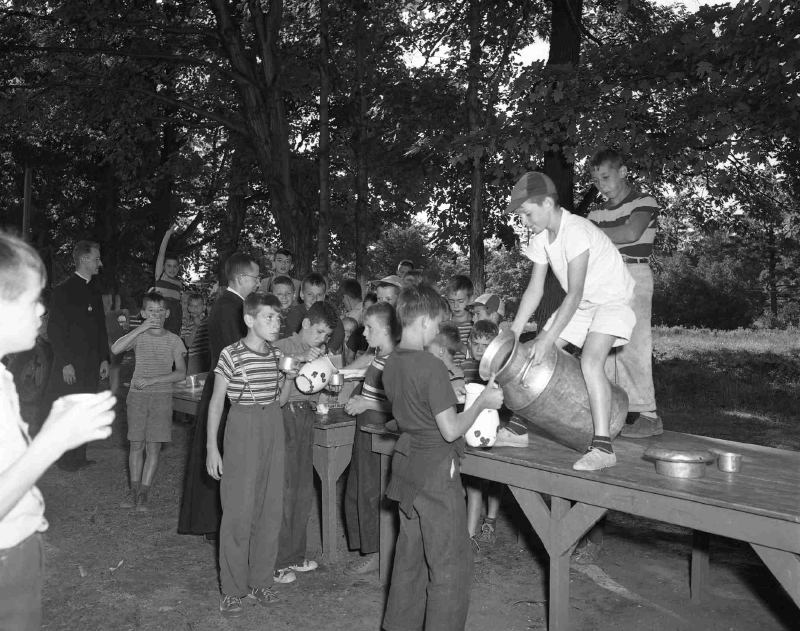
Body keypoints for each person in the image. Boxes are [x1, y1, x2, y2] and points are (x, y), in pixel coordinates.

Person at [0, 231, 116, 630]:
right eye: (32, 302)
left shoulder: (3, 380)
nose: (40, 316)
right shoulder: (67, 291)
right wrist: (51, 443)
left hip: (20, 546)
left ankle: (77, 455)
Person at [381, 284, 503, 631]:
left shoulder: (391, 363)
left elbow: (412, 405)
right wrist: (481, 403)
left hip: (406, 467)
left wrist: (448, 395)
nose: (438, 332)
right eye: (436, 323)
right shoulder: (431, 366)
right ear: (422, 321)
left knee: (410, 561)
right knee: (450, 565)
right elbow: (450, 431)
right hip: (436, 470)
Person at [506, 171, 636, 471]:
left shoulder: (576, 230)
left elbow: (574, 293)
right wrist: (514, 332)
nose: (524, 221)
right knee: (529, 353)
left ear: (548, 203)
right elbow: (534, 289)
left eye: (526, 213)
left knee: (590, 361)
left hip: (611, 301)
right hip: (583, 305)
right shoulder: (541, 239)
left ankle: (603, 447)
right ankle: (517, 429)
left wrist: (548, 340)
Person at [205, 293, 291, 618]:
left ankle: (260, 581)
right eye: (269, 317)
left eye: (278, 318)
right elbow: (216, 402)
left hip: (273, 426)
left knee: (269, 508)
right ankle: (232, 589)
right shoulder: (231, 355)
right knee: (238, 512)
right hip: (242, 426)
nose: (276, 323)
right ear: (249, 319)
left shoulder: (277, 355)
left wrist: (291, 378)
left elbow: (280, 400)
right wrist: (212, 448)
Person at [178, 253, 261, 540]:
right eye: (255, 278)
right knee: (224, 451)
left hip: (223, 383)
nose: (258, 283)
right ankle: (217, 522)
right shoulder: (232, 308)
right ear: (240, 279)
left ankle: (215, 520)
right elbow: (239, 353)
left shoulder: (228, 304)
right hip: (228, 388)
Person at [587, 148, 662, 439]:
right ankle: (611, 414)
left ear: (623, 172)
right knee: (602, 348)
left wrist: (592, 233)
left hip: (634, 274)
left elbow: (631, 234)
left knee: (633, 346)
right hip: (604, 278)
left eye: (605, 177)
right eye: (595, 180)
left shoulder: (644, 201)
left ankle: (648, 415)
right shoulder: (596, 212)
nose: (601, 184)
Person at [273, 301, 339, 583]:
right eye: (320, 332)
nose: (322, 339)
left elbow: (316, 386)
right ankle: (275, 560)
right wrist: (303, 357)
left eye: (326, 335)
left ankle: (294, 555)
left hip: (306, 416)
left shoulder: (319, 352)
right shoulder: (282, 345)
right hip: (284, 416)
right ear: (306, 325)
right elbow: (277, 373)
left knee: (301, 488)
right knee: (283, 489)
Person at [111, 292, 186, 511]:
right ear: (143, 313)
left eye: (160, 310)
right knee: (136, 444)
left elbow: (181, 373)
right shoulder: (139, 336)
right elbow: (115, 349)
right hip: (137, 397)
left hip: (161, 397)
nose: (156, 314)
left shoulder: (174, 340)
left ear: (167, 313)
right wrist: (141, 327)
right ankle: (133, 490)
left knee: (153, 447)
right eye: (151, 311)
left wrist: (153, 380)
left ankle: (144, 492)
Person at [42, 240, 110, 472]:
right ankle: (64, 459)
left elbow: (101, 327)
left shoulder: (95, 289)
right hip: (70, 363)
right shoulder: (63, 290)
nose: (100, 263)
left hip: (91, 363)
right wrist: (65, 363)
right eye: (96, 258)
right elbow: (54, 331)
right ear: (84, 260)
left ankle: (79, 456)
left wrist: (103, 358)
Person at [342, 302, 398, 575]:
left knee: (374, 490)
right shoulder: (380, 355)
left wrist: (368, 405)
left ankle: (378, 552)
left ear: (387, 329)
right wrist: (359, 400)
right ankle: (369, 546)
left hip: (381, 432)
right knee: (359, 487)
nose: (364, 333)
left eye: (369, 327)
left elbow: (400, 407)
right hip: (365, 430)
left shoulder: (396, 360)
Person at [460, 320, 505, 554]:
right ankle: (469, 534)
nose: (480, 349)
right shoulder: (466, 366)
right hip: (471, 429)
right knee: (473, 480)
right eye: (476, 344)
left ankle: (491, 520)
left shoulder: (500, 369)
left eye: (485, 345)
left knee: (495, 477)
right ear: (469, 343)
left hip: (493, 427)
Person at [283, 273, 345, 353]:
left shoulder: (329, 314)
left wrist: (329, 350)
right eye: (310, 294)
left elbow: (339, 333)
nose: (314, 299)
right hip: (297, 353)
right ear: (302, 295)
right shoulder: (294, 312)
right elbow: (288, 336)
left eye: (319, 295)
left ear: (323, 297)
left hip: (319, 352)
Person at [154, 227, 184, 335]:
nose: (172, 269)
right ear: (163, 266)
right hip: (160, 315)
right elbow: (161, 253)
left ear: (178, 267)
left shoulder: (179, 284)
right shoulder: (160, 275)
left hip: (175, 318)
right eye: (169, 266)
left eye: (175, 266)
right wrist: (168, 234)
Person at [426, 322, 466, 396]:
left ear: (441, 350)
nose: (425, 349)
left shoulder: (455, 377)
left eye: (428, 347)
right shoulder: (436, 371)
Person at [446, 275, 474, 364]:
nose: (456, 305)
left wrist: (461, 347)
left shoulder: (476, 325)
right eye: (451, 301)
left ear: (471, 299)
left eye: (460, 301)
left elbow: (482, 358)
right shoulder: (443, 326)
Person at [181, 293, 210, 375]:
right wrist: (195, 327)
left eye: (198, 306)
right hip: (195, 359)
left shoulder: (209, 321)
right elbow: (188, 344)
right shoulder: (186, 324)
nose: (195, 309)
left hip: (208, 356)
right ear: (189, 308)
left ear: (204, 307)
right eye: (193, 306)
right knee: (194, 384)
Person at [105, 307, 130, 397]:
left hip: (117, 347)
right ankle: (111, 394)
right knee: (112, 371)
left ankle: (111, 396)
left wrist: (127, 322)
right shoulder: (109, 314)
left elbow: (126, 311)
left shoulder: (109, 314)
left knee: (114, 371)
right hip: (114, 347)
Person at [270, 275, 296, 339]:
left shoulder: (297, 312)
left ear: (294, 295)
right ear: (270, 296)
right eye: (279, 294)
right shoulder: (270, 315)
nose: (284, 297)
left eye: (288, 293)